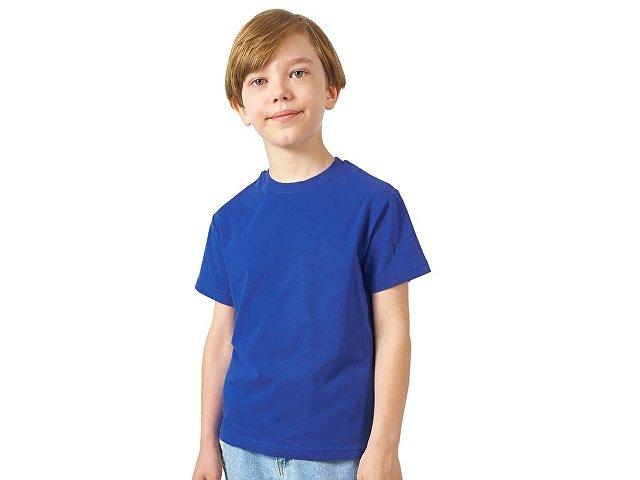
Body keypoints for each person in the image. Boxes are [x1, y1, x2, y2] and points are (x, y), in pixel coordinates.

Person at [192, 8, 431, 480]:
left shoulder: (375, 204)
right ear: (240, 107)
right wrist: (205, 444)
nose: (279, 91)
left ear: (331, 89)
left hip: (339, 452)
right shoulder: (229, 221)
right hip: (242, 446)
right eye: (259, 80)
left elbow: (394, 331)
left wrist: (384, 446)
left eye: (297, 73)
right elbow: (221, 338)